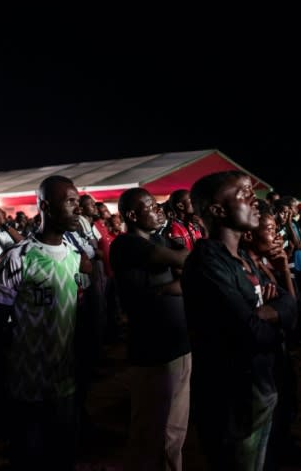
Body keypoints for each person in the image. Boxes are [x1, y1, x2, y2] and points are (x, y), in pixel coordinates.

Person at [182, 171, 297, 470]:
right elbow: (250, 333)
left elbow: (289, 306)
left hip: (257, 387)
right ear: (218, 210)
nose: (255, 201)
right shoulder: (208, 263)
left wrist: (268, 315)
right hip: (232, 399)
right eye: (245, 194)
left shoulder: (241, 258)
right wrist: (273, 321)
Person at [0, 175, 91, 470]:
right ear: (45, 206)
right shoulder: (19, 258)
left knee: (63, 458)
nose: (78, 208)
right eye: (70, 201)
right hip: (26, 388)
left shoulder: (75, 258)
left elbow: (76, 320)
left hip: (66, 386)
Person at [111, 187, 190, 471]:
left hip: (179, 346)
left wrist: (165, 289)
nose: (159, 210)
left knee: (174, 432)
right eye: (151, 206)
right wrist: (174, 284)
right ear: (132, 215)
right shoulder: (126, 245)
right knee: (149, 433)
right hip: (153, 350)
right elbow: (182, 260)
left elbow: (186, 269)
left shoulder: (157, 240)